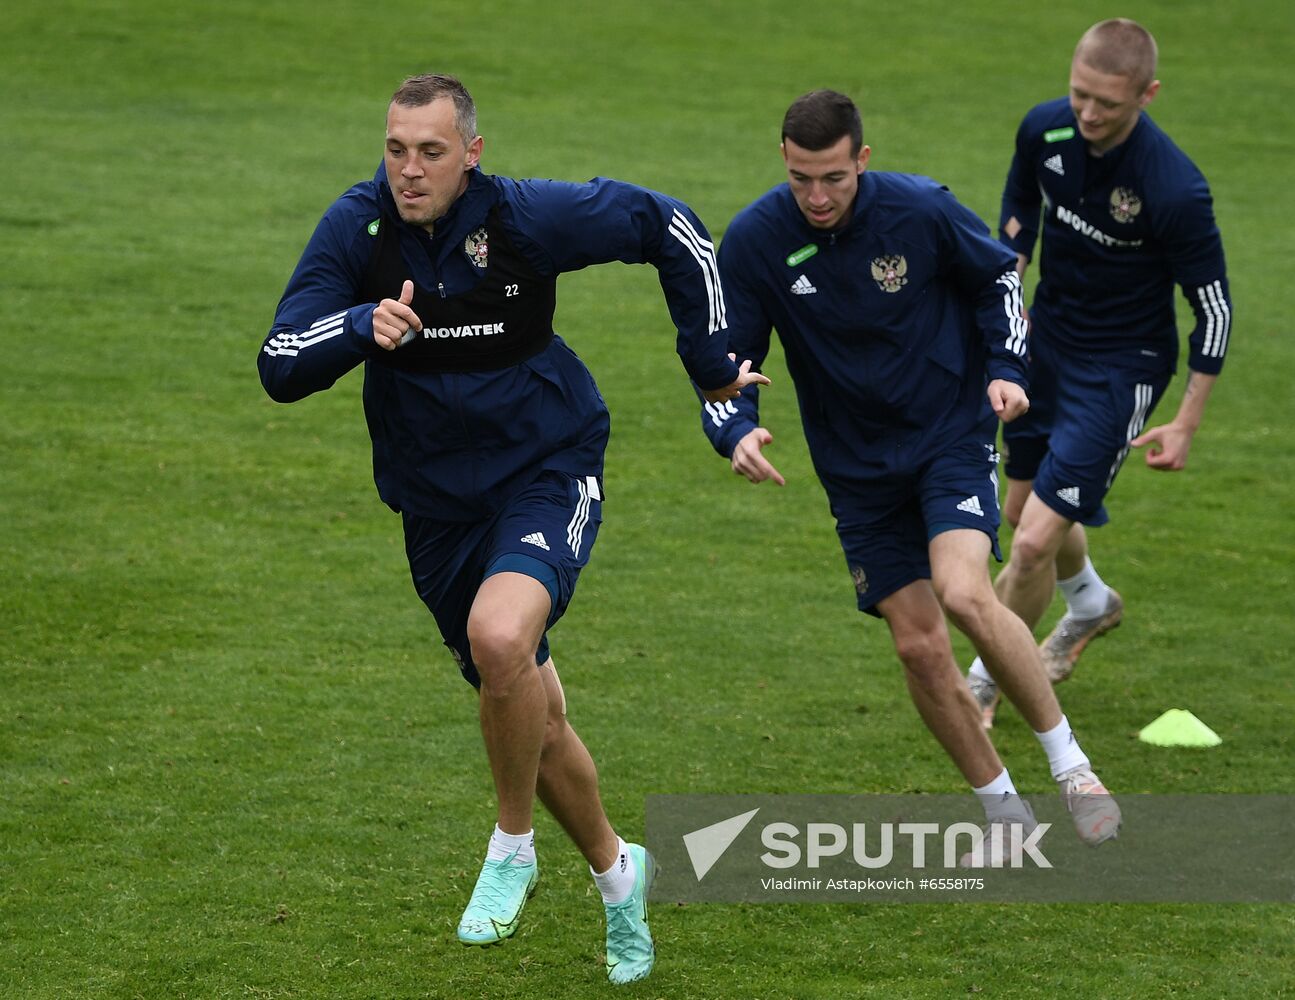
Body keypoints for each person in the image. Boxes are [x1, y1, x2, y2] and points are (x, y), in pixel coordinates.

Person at [258, 73, 765, 984]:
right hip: (435, 506)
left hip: (547, 465)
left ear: (472, 154)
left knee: (500, 639)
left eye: (431, 152)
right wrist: (355, 325)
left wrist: (709, 357)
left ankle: (511, 846)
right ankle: (619, 876)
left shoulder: (526, 219)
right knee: (533, 705)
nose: (409, 171)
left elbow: (669, 227)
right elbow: (277, 361)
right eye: (395, 149)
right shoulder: (356, 229)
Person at [700, 89, 1120, 854]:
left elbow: (997, 280)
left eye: (832, 177)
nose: (816, 197)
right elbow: (727, 357)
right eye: (800, 179)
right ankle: (1002, 811)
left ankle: (1072, 769)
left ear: (861, 158)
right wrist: (732, 427)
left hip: (945, 435)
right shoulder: (757, 240)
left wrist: (1004, 366)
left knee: (963, 591)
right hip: (855, 470)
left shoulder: (919, 210)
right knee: (917, 647)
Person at [967, 19, 1233, 726]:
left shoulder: (1172, 188)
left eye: (1107, 104)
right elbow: (1016, 212)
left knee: (1025, 545)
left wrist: (1186, 420)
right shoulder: (1045, 131)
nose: (1087, 113)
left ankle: (981, 686)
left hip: (1121, 369)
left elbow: (1213, 308)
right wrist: (1008, 296)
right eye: (1079, 94)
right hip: (1044, 340)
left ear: (1146, 95)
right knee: (1027, 512)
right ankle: (1089, 603)